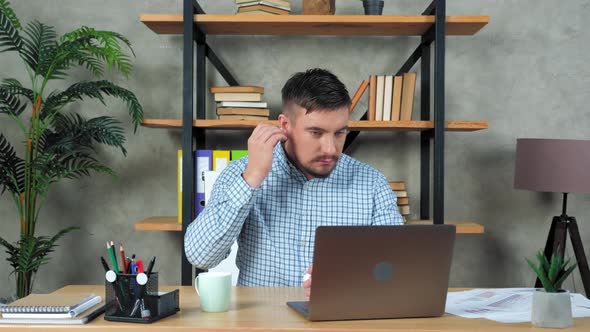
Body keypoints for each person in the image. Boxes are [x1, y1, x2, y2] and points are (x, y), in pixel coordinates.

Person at [184, 68, 404, 295]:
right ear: (285, 126)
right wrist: (252, 179)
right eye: (316, 133)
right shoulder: (243, 172)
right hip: (262, 324)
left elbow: (398, 265)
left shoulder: (372, 184)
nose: (330, 149)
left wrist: (351, 274)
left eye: (339, 133)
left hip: (339, 322)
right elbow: (201, 256)